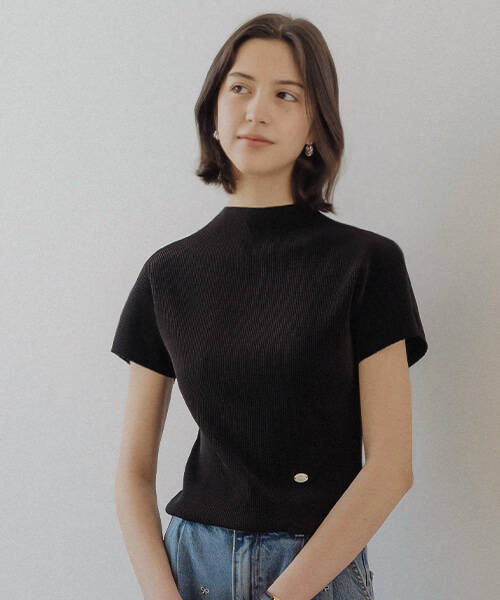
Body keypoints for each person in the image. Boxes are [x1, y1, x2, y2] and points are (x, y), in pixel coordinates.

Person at [111, 12, 428, 600]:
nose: (256, 110)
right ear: (213, 110)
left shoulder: (366, 264)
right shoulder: (167, 273)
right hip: (190, 568)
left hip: (314, 573)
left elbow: (391, 468)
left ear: (314, 123)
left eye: (286, 94)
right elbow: (132, 471)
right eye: (240, 88)